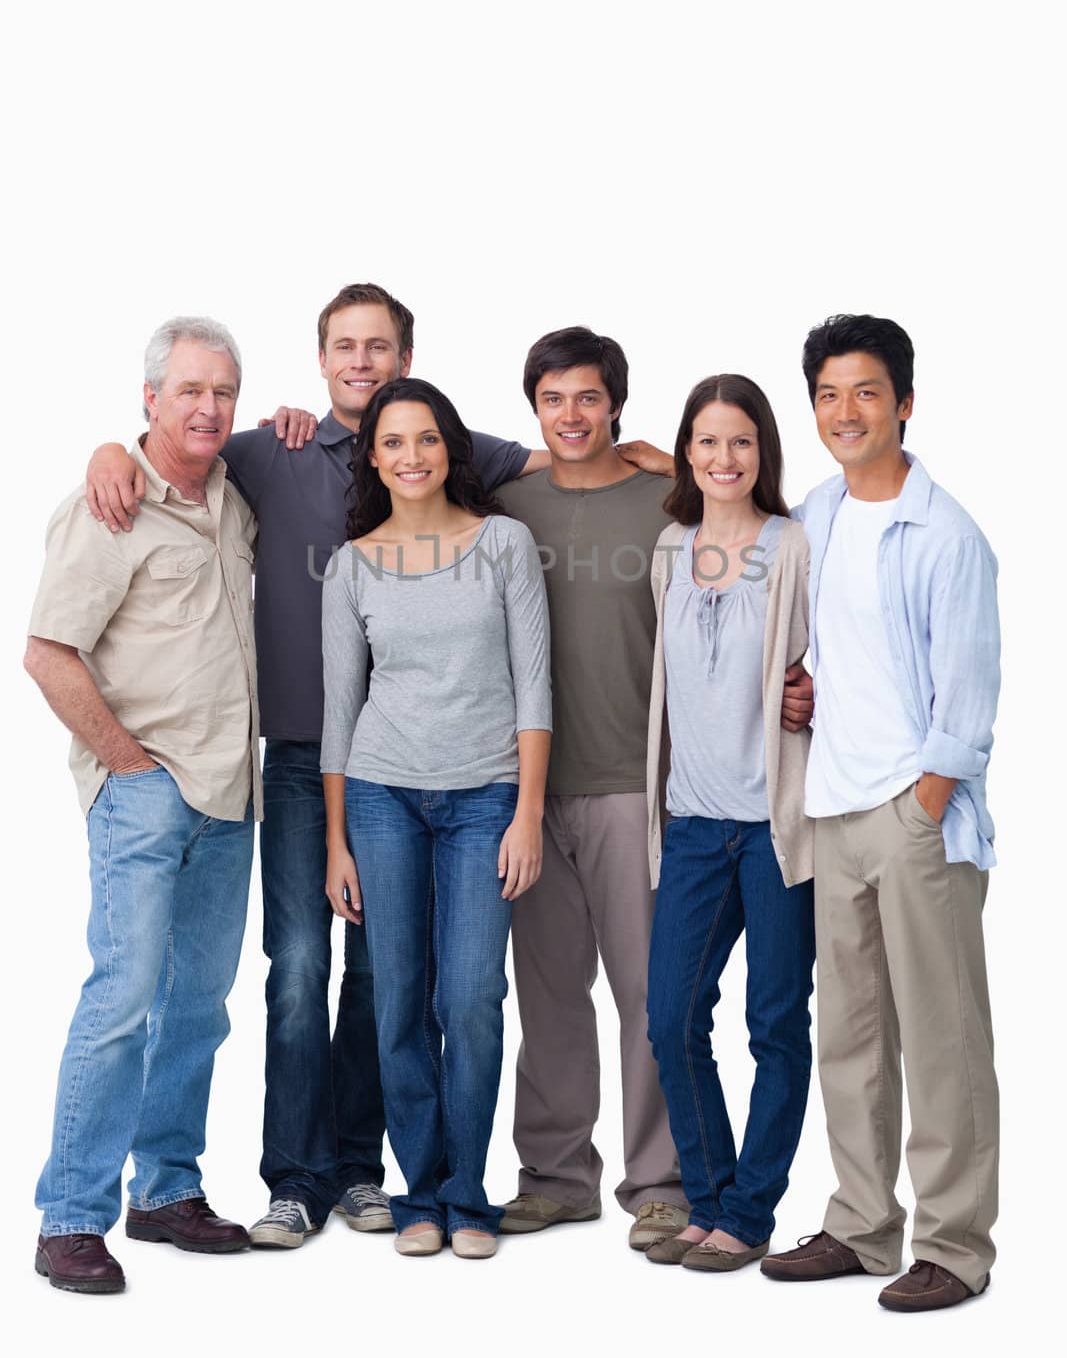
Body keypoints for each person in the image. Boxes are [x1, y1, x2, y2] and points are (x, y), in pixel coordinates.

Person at [83, 284, 539, 1247]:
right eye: (345, 346)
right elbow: (173, 443)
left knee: (383, 976)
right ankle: (295, 1176)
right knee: (295, 969)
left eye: (380, 347)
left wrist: (681, 466)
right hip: (297, 762)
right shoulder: (268, 448)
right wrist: (106, 454)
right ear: (321, 357)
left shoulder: (439, 446)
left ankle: (364, 1168)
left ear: (406, 360)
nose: (362, 362)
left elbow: (563, 459)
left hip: (410, 772)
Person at [761, 315, 1000, 1314]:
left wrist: (927, 796)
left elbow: (967, 689)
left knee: (939, 1036)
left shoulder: (944, 533)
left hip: (913, 817)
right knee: (849, 1035)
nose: (843, 411)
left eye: (864, 392)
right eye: (825, 393)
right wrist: (798, 688)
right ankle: (861, 1224)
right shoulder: (812, 515)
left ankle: (953, 1243)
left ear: (903, 402)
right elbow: (825, 651)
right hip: (832, 806)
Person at [26, 317, 259, 1294]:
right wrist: (126, 763)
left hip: (229, 791)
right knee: (120, 1002)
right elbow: (46, 649)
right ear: (150, 401)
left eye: (223, 392)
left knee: (197, 1009)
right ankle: (71, 1215)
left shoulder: (235, 498)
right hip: (147, 791)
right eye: (189, 390)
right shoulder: (108, 502)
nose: (207, 407)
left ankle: (164, 1189)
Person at [321, 378, 551, 1259]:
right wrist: (337, 839)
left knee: (472, 997)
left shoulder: (503, 543)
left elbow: (535, 685)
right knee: (399, 1002)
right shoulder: (350, 564)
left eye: (425, 439)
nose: (410, 456)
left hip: (485, 796)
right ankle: (420, 1194)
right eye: (392, 443)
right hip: (380, 796)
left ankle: (469, 1191)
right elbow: (341, 712)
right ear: (372, 458)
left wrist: (526, 812)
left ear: (450, 449)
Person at [494, 327, 690, 1252]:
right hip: (524, 795)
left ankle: (658, 1183)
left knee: (650, 993)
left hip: (631, 784)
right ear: (534, 409)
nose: (570, 416)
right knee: (546, 993)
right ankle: (555, 1176)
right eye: (552, 400)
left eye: (586, 399)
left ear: (614, 403)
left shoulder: (666, 500)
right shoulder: (501, 506)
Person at [643, 375, 815, 1272]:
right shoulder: (670, 548)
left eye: (740, 442)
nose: (722, 459)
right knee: (669, 1017)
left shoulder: (792, 545)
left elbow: (845, 651)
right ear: (684, 452)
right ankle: (706, 1202)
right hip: (694, 826)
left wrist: (815, 691)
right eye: (705, 442)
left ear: (764, 452)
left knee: (775, 1024)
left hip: (776, 826)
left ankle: (749, 1214)